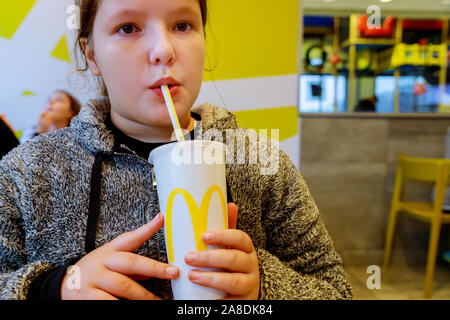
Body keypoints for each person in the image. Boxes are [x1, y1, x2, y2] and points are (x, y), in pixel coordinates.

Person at [0, 0, 352, 300]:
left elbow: (334, 289)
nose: (164, 50)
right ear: (91, 54)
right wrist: (54, 287)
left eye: (182, 25)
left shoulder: (262, 163)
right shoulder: (28, 172)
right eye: (128, 28)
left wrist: (262, 288)